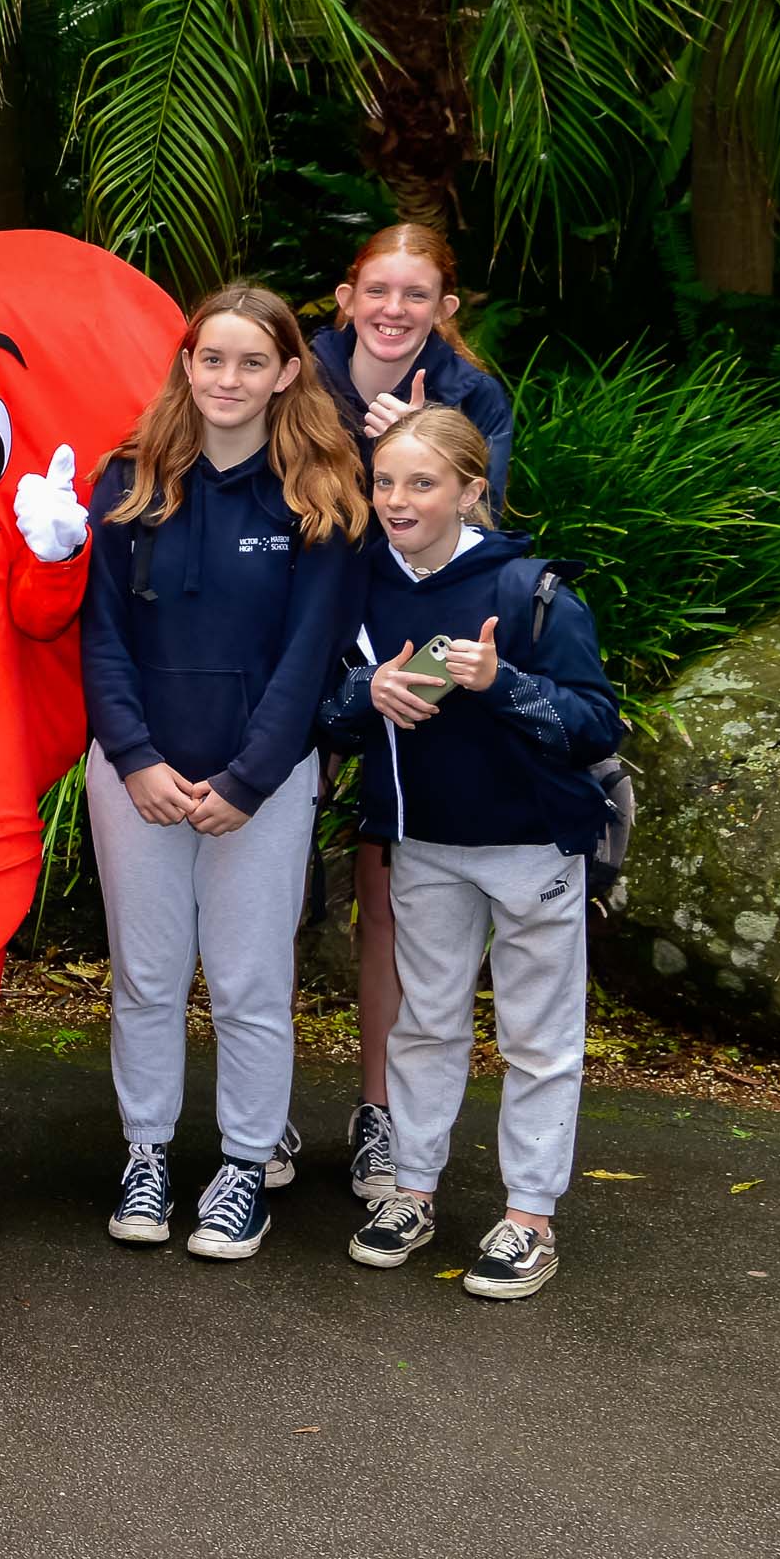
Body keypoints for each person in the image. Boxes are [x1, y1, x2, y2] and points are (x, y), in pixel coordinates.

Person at [80, 286, 367, 1260]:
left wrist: (249, 779)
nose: (229, 380)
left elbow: (308, 658)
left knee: (249, 982)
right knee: (148, 980)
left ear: (289, 370)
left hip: (265, 784)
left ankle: (243, 1166)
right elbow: (104, 638)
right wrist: (136, 760)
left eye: (252, 362)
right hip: (139, 780)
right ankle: (148, 1156)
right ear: (187, 364)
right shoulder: (131, 480)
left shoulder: (319, 493)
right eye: (213, 360)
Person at [321, 409, 618, 1299]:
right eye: (384, 483)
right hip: (422, 846)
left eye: (422, 483)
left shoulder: (532, 589)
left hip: (532, 848)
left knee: (538, 1038)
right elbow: (325, 711)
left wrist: (502, 684)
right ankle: (412, 1191)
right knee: (425, 1024)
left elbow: (593, 720)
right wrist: (366, 692)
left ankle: (529, 1216)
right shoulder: (361, 582)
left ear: (469, 490)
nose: (398, 500)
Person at [311, 221, 516, 1198]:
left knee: (390, 887)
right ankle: (251, 1121)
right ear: (345, 298)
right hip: (296, 643)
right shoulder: (294, 373)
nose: (395, 310)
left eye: (417, 294)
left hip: (414, 647)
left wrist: (408, 444)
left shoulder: (471, 395)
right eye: (377, 290)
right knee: (250, 876)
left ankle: (381, 1112)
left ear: (445, 309)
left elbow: (481, 538)